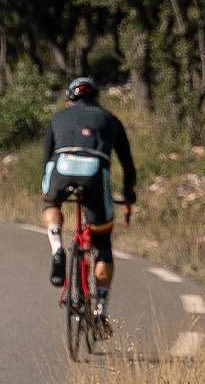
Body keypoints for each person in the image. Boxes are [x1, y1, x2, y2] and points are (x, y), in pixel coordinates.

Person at [41, 77, 137, 322]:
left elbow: (46, 159)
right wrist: (128, 192)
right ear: (96, 98)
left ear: (69, 99)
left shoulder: (58, 118)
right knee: (103, 244)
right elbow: (127, 162)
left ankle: (57, 246)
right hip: (95, 173)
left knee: (51, 204)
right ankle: (100, 310)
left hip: (61, 167)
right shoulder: (110, 118)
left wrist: (49, 190)